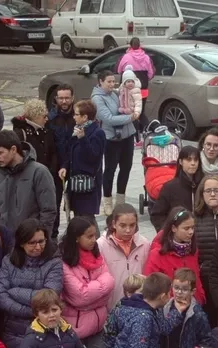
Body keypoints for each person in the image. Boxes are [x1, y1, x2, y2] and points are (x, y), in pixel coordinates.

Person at [0, 219, 63, 348]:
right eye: (32, 243)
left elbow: (48, 297)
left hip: (44, 328)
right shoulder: (9, 261)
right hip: (13, 330)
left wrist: (14, 292)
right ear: (22, 243)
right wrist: (32, 310)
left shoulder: (54, 263)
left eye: (41, 241)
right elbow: (0, 294)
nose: (38, 247)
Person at [61, 215, 113, 348]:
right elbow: (80, 297)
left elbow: (110, 284)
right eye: (89, 236)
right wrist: (97, 294)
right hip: (73, 328)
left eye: (94, 235)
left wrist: (90, 293)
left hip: (97, 325)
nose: (93, 240)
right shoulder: (64, 262)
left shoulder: (96, 254)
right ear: (76, 238)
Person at [0, 130, 58, 235]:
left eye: (0, 153)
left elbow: (48, 210)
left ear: (13, 149)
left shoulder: (39, 172)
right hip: (6, 242)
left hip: (32, 241)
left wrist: (40, 239)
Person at [92, 70, 137, 215]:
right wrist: (130, 118)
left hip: (127, 135)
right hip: (111, 138)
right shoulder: (97, 98)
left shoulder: (115, 93)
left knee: (126, 167)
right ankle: (107, 201)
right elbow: (109, 118)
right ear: (100, 82)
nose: (112, 84)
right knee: (110, 170)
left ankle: (121, 200)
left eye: (114, 81)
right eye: (109, 82)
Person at [12, 99, 61, 230]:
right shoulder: (20, 133)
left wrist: (51, 171)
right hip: (29, 179)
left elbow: (53, 152)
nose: (47, 119)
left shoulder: (46, 131)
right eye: (44, 116)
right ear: (36, 117)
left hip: (47, 176)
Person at [144, 208, 206, 304]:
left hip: (193, 307)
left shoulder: (192, 252)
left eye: (192, 228)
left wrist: (200, 298)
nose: (191, 232)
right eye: (186, 228)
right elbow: (151, 288)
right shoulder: (157, 254)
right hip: (167, 310)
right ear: (174, 228)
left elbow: (196, 279)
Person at [98, 203, 149, 310]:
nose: (128, 230)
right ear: (114, 224)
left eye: (132, 225)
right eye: (123, 225)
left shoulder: (143, 244)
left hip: (139, 306)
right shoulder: (101, 245)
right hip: (111, 307)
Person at [60, 99, 106, 218]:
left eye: (76, 114)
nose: (74, 117)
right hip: (75, 183)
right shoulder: (78, 130)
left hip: (88, 185)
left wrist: (83, 139)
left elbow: (93, 158)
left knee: (86, 219)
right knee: (78, 218)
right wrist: (65, 166)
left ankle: (95, 237)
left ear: (85, 117)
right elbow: (71, 152)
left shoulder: (97, 133)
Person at [150, 146, 202, 231]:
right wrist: (168, 232)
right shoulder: (170, 187)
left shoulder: (204, 184)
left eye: (196, 160)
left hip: (201, 235)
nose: (193, 163)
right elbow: (157, 215)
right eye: (189, 160)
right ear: (181, 161)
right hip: (177, 236)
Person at [194, 174, 218, 274]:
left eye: (217, 190)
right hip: (204, 273)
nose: (213, 194)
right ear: (202, 194)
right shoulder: (193, 218)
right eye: (208, 191)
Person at [118, 37, 155, 133]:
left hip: (128, 90)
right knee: (141, 111)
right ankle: (145, 131)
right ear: (140, 45)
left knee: (129, 111)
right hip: (143, 89)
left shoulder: (126, 57)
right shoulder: (146, 57)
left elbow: (119, 70)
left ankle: (134, 133)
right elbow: (151, 73)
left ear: (130, 45)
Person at [47, 84, 76, 173]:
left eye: (67, 98)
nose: (64, 101)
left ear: (72, 98)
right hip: (57, 164)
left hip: (75, 162)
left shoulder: (78, 116)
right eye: (61, 98)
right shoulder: (50, 118)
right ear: (56, 98)